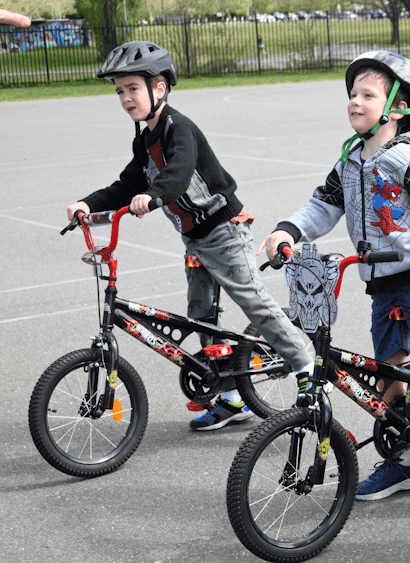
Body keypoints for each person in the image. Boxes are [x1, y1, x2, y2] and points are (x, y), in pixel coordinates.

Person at [258, 50, 410, 501]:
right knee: (392, 377)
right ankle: (403, 462)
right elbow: (322, 207)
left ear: (397, 107)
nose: (355, 101)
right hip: (381, 285)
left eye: (367, 94)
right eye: (352, 93)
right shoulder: (350, 159)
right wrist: (287, 229)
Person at [66, 41, 313, 431]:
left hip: (224, 233)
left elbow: (178, 171)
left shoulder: (179, 128)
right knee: (203, 318)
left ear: (159, 87)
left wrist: (155, 195)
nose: (126, 98)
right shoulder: (145, 138)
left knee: (255, 303)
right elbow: (127, 184)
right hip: (196, 240)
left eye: (133, 88)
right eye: (119, 91)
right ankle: (233, 399)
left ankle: (306, 365)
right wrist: (87, 204)